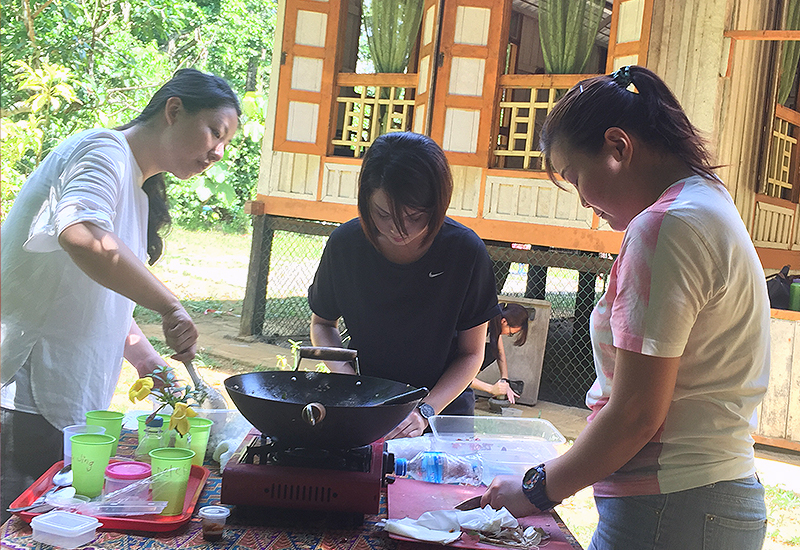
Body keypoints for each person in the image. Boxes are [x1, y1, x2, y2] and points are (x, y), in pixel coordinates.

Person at [479, 66, 770, 550]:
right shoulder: (706, 204)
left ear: (617, 146)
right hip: (703, 502)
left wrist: (535, 488)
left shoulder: (667, 226)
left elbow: (637, 412)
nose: (585, 204)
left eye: (576, 178)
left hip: (674, 507)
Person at [1, 68, 240, 519]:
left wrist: (148, 362)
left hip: (64, 398)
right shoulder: (103, 149)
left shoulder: (138, 190)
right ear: (174, 110)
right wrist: (170, 305)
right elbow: (81, 234)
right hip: (26, 390)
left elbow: (98, 292)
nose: (218, 152)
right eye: (214, 132)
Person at [308, 132, 500, 438]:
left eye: (414, 216)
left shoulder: (464, 251)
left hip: (443, 411)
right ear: (365, 200)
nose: (398, 229)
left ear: (437, 204)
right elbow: (322, 324)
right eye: (383, 213)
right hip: (370, 405)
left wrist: (425, 410)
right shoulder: (345, 245)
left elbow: (471, 354)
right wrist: (353, 386)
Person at [470, 302, 528, 403]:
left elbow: (500, 352)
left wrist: (504, 380)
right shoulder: (481, 323)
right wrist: (491, 389)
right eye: (510, 333)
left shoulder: (495, 320)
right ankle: (462, 387)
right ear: (504, 321)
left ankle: (465, 386)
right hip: (445, 362)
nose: (507, 334)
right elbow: (455, 369)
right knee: (477, 355)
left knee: (492, 352)